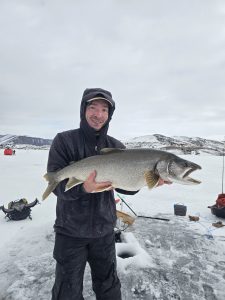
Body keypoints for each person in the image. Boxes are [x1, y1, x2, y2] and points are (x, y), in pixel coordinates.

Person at [47, 88, 170, 300]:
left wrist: (146, 180)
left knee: (109, 288)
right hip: (70, 232)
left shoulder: (116, 146)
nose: (98, 114)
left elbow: (125, 187)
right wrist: (84, 188)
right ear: (83, 110)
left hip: (104, 231)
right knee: (66, 291)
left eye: (104, 109)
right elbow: (59, 188)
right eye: (93, 107)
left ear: (109, 114)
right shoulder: (63, 141)